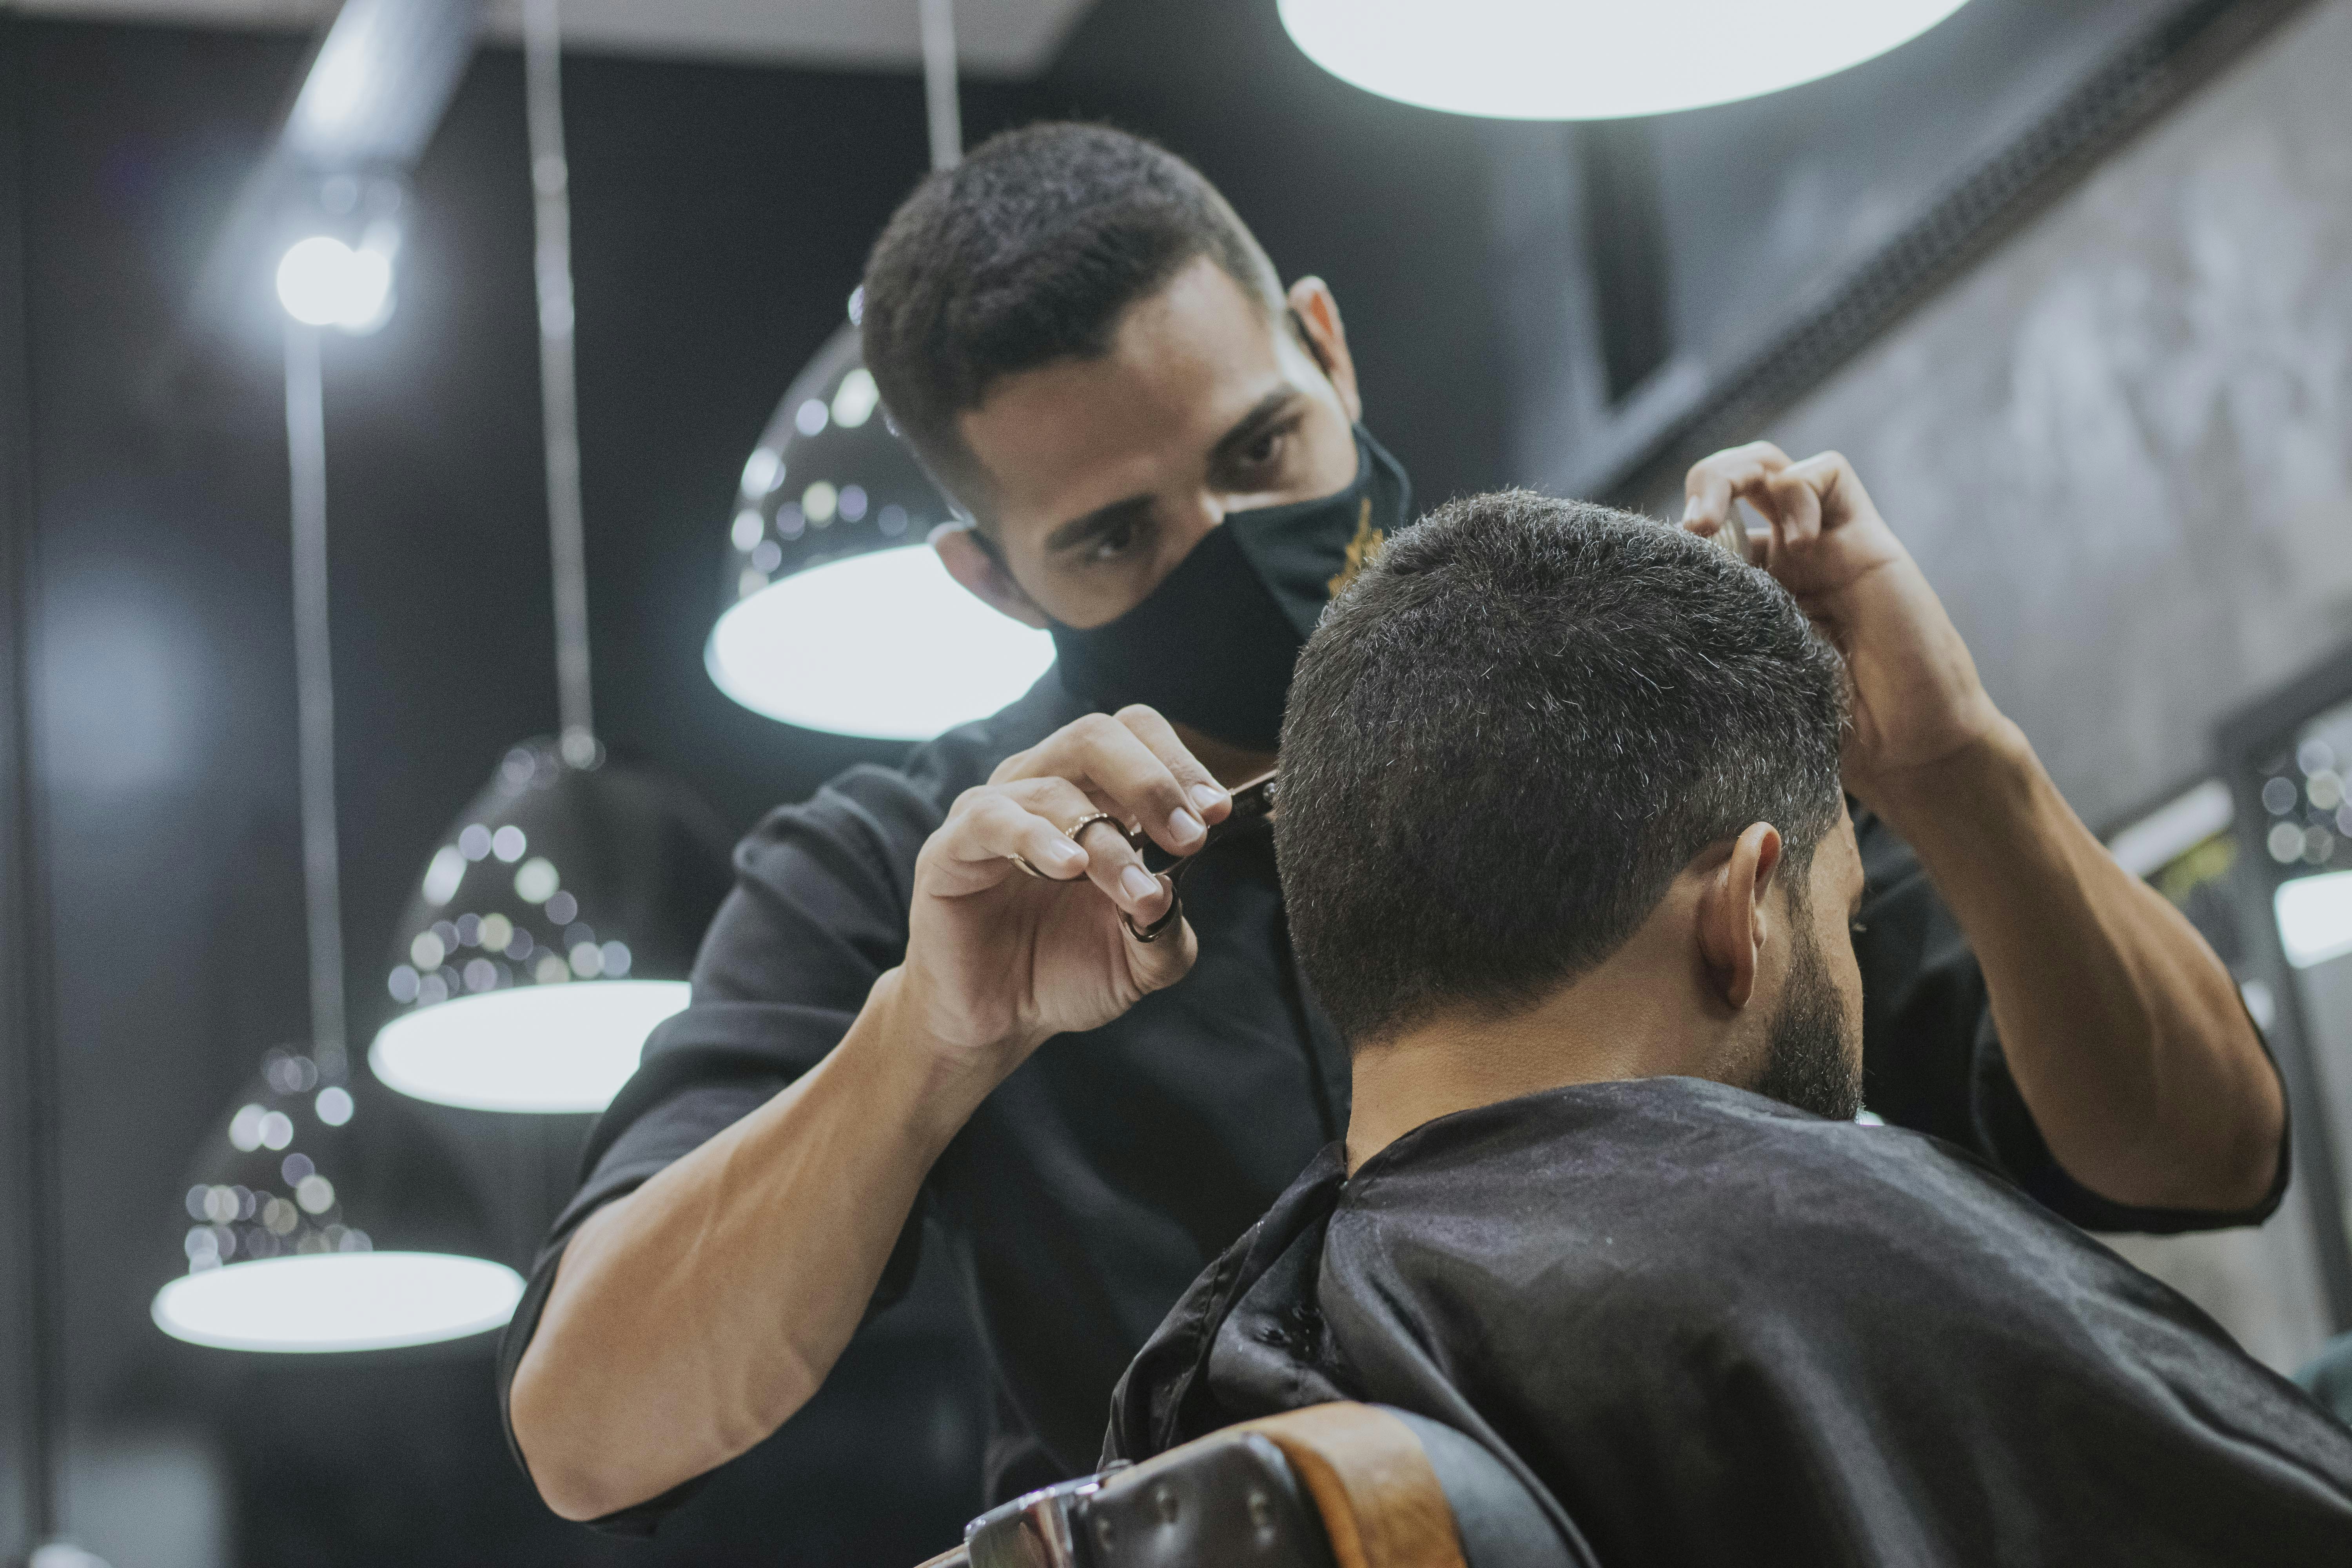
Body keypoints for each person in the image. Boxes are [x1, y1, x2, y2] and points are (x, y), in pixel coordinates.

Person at [500, 123, 2286, 1530]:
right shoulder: (916, 876)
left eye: (1261, 454)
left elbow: (2202, 1151)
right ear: (990, 578)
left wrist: (1956, 764)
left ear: (1329, 352)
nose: (1227, 551)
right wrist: (926, 1040)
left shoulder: (1616, 667)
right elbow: (590, 1434)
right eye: (1117, 538)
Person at [1106, 489, 2352, 1566]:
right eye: (1846, 917)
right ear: (1744, 911)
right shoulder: (1838, 1266)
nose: (1848, 964)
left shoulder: (1203, 1388)